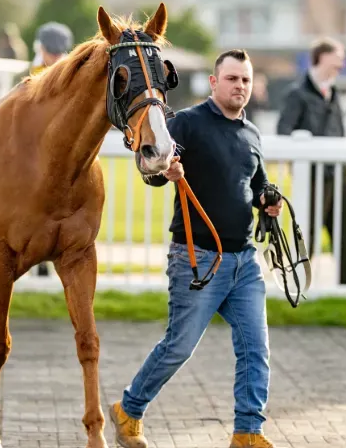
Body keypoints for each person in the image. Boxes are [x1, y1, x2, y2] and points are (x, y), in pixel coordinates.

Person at [108, 49, 284, 448]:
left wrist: (267, 203)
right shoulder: (186, 124)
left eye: (245, 80)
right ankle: (129, 408)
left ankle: (248, 431)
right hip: (196, 260)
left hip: (244, 263)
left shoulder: (252, 134)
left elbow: (257, 188)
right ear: (213, 82)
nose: (240, 86)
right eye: (232, 79)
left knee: (256, 349)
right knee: (179, 347)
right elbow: (148, 166)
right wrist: (164, 172)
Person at [276, 37, 346, 286]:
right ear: (322, 57)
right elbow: (284, 130)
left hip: (338, 173)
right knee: (308, 231)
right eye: (338, 58)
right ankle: (300, 281)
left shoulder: (334, 93)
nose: (341, 65)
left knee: (345, 228)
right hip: (311, 177)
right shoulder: (297, 94)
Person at [29, 21, 73, 276]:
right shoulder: (32, 72)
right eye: (51, 52)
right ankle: (41, 258)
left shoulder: (70, 73)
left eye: (57, 53)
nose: (54, 58)